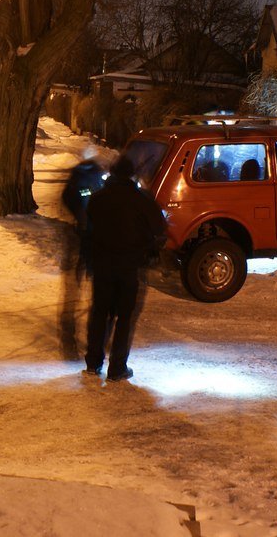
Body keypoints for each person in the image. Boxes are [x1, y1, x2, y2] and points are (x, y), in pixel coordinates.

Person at [83, 155, 165, 382]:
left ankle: (93, 362)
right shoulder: (141, 200)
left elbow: (88, 228)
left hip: (102, 265)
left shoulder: (97, 199)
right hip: (128, 266)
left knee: (100, 313)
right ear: (131, 175)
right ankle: (117, 367)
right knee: (124, 317)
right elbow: (159, 227)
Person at [61, 146, 105, 276]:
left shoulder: (93, 172)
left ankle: (88, 265)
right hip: (87, 214)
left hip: (91, 214)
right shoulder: (81, 174)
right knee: (88, 240)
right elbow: (75, 194)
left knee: (90, 240)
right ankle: (86, 265)